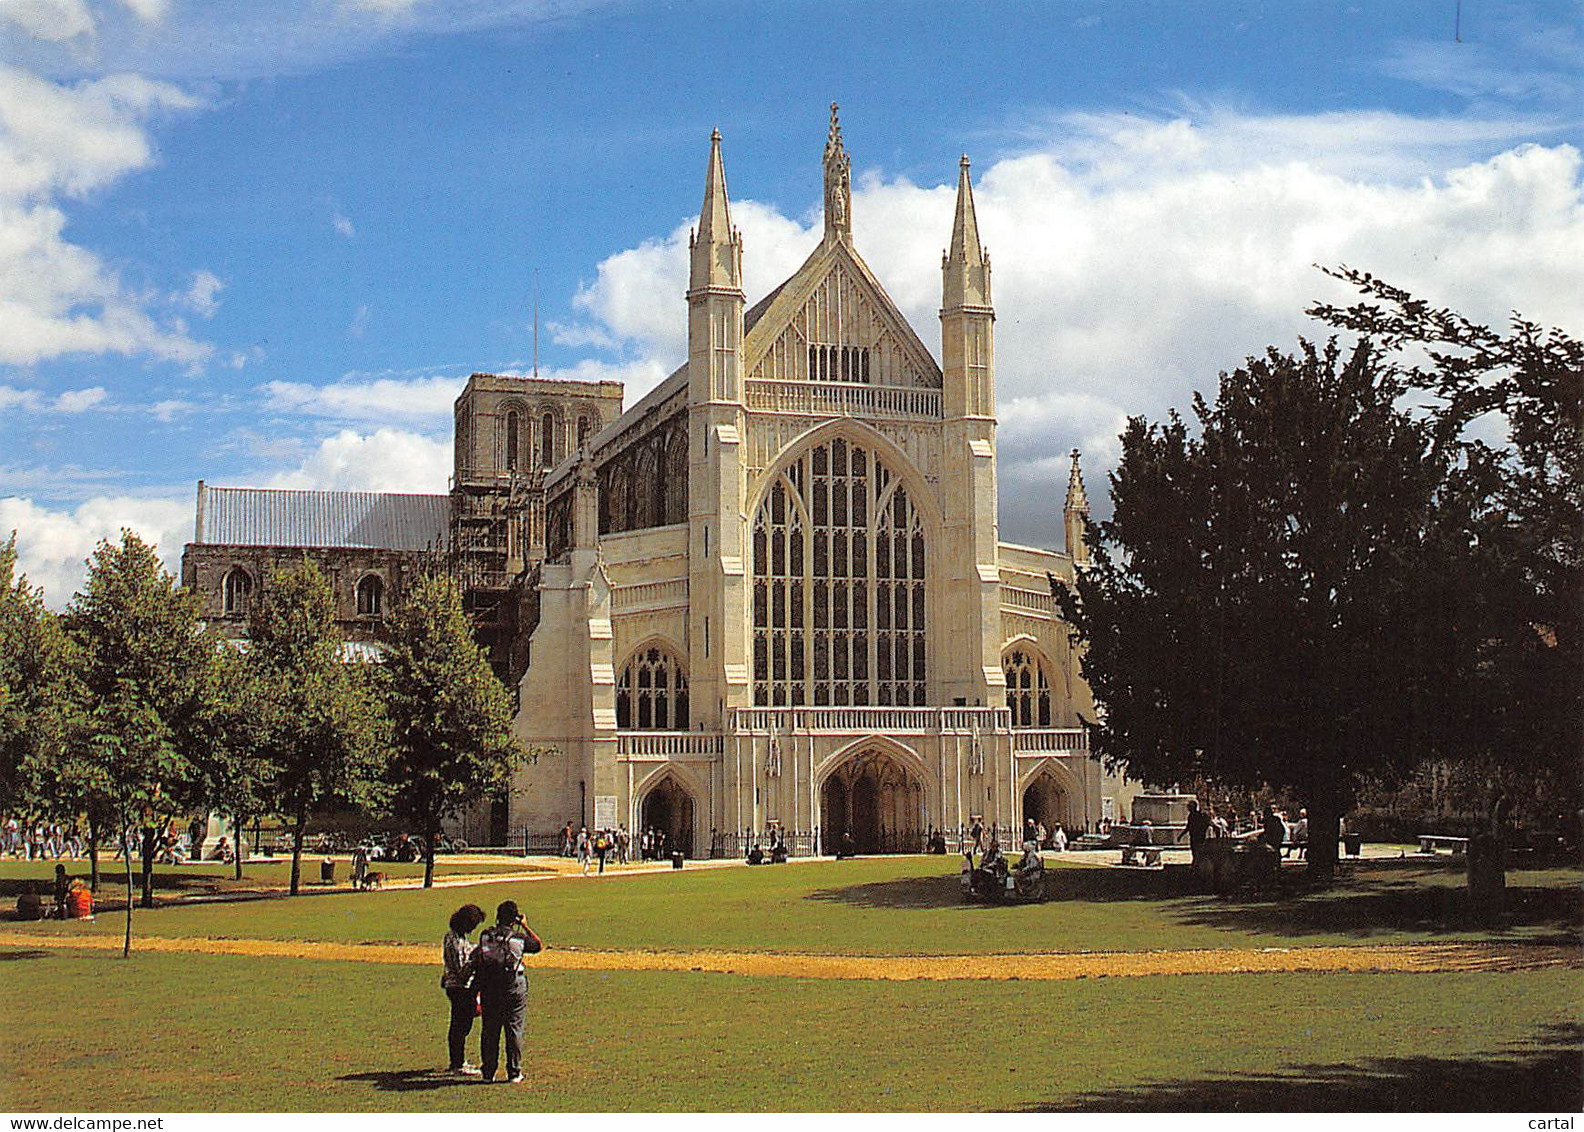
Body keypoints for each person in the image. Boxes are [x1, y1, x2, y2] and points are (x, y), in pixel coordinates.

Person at [474, 900, 543, 1085]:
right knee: (514, 1029)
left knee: (490, 1030)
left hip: (490, 987)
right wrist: (525, 925)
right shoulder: (518, 939)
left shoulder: (486, 936)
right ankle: (514, 1072)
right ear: (514, 918)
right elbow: (537, 945)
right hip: (513, 986)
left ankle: (488, 1072)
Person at [441, 903, 487, 1077]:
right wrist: (475, 959)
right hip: (460, 988)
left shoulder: (455, 937)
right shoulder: (454, 940)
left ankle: (457, 1061)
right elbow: (461, 972)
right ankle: (457, 1063)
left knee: (460, 1025)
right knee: (460, 1025)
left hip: (456, 986)